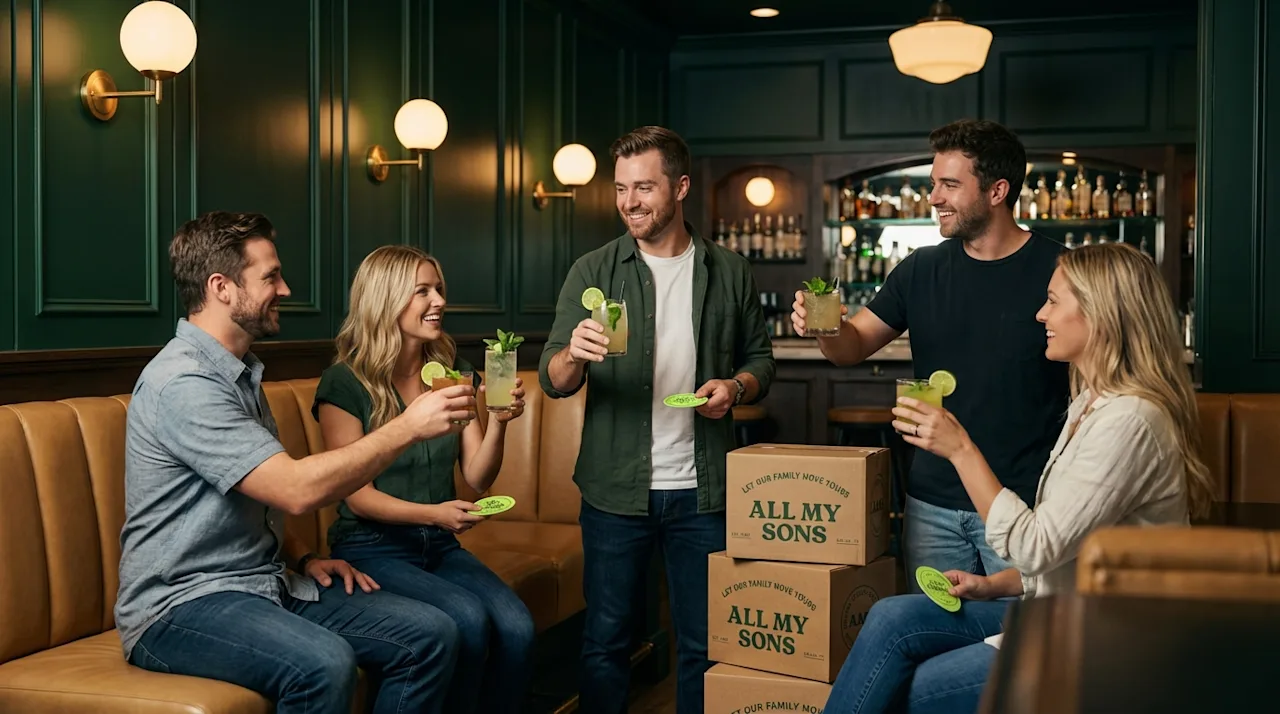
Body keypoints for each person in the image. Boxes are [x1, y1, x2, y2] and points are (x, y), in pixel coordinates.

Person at [823, 241, 1215, 713]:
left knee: (918, 688)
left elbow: (1037, 544)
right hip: (1060, 607)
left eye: (1053, 301)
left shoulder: (1129, 421)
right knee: (891, 617)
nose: (1039, 315)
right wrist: (996, 584)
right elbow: (1073, 553)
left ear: (1101, 315)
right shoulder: (1091, 402)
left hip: (1105, 634)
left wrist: (960, 448)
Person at [117, 211, 475, 714]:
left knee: (431, 634)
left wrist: (303, 557)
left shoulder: (237, 374)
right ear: (221, 287)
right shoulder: (185, 384)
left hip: (262, 583)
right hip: (180, 606)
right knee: (322, 664)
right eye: (270, 277)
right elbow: (294, 490)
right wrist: (408, 426)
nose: (284, 289)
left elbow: (250, 504)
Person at [539, 125, 775, 714]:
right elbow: (552, 378)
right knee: (605, 642)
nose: (629, 202)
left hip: (705, 492)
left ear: (681, 187)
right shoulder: (593, 270)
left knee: (704, 642)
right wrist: (574, 352)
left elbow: (760, 361)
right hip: (616, 490)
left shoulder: (729, 270)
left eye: (644, 187)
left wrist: (737, 386)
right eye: (621, 188)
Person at [792, 119, 1071, 587]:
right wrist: (826, 327)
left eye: (949, 185)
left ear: (997, 190)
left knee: (1019, 645)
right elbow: (852, 347)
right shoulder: (920, 269)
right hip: (931, 504)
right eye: (932, 184)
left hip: (1022, 505)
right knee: (930, 634)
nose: (934, 198)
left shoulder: (1062, 270)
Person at [313, 244, 536, 714]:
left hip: (439, 546)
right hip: (371, 547)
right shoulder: (344, 383)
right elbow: (358, 498)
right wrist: (434, 514)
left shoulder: (454, 376)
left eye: (438, 289)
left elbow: (477, 477)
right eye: (422, 291)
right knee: (469, 620)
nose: (437, 300)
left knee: (517, 626)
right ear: (386, 299)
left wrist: (497, 419)